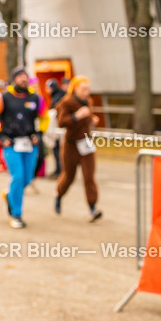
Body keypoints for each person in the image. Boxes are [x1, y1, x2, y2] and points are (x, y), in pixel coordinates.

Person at [0, 67, 48, 229]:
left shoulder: (36, 98)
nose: (23, 79)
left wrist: (39, 133)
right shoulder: (4, 97)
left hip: (29, 144)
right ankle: (16, 214)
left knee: (27, 178)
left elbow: (45, 117)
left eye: (25, 76)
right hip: (11, 144)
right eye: (20, 77)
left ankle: (9, 195)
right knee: (18, 176)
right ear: (14, 79)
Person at [54, 75, 101, 221]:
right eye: (84, 89)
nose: (87, 92)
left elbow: (88, 116)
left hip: (86, 144)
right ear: (75, 88)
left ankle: (93, 208)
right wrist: (76, 116)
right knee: (69, 176)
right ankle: (59, 195)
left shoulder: (88, 101)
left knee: (89, 177)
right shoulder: (67, 102)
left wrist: (92, 119)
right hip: (71, 146)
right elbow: (61, 122)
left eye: (88, 89)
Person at [44, 78, 66, 179]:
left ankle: (60, 170)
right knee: (56, 148)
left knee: (58, 148)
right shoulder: (56, 96)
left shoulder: (60, 96)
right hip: (56, 126)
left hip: (59, 127)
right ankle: (58, 169)